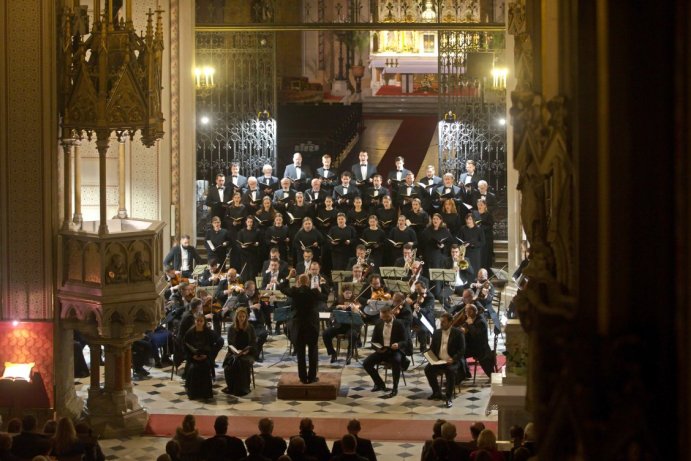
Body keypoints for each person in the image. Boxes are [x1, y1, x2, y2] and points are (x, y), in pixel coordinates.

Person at [279, 272, 323, 384]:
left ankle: (303, 378)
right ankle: (312, 377)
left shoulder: (294, 291)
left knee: (301, 353)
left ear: (298, 281)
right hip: (311, 326)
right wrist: (320, 285)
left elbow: (282, 288)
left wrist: (288, 277)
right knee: (313, 352)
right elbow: (325, 296)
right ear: (308, 282)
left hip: (299, 326)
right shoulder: (314, 292)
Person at [362, 305, 411, 399]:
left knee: (396, 361)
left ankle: (395, 388)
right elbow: (373, 340)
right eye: (382, 317)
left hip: (395, 351)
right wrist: (378, 348)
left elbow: (405, 341)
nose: (384, 319)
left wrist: (398, 345)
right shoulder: (379, 323)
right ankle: (379, 383)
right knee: (366, 363)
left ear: (391, 314)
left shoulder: (399, 324)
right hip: (382, 350)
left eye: (387, 317)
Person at [424, 313, 466, 408]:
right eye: (440, 322)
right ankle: (436, 392)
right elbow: (433, 348)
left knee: (450, 371)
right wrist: (430, 356)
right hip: (439, 361)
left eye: (444, 322)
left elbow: (462, 350)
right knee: (428, 369)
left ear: (450, 322)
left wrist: (453, 359)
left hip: (452, 361)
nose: (441, 324)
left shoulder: (458, 333)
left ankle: (448, 397)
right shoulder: (437, 332)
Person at [323, 284, 362, 364]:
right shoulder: (339, 300)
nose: (348, 295)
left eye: (350, 293)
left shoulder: (355, 301)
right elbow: (329, 309)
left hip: (351, 326)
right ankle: (332, 353)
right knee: (326, 333)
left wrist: (356, 309)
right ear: (343, 293)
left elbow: (360, 314)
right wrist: (337, 306)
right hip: (339, 326)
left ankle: (349, 354)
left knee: (353, 335)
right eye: (346, 293)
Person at [222, 307, 257, 396]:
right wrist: (236, 351)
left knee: (242, 363)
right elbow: (230, 343)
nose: (241, 318)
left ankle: (243, 388)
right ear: (236, 317)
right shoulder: (231, 328)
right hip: (234, 352)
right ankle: (232, 387)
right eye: (239, 316)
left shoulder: (250, 328)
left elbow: (253, 342)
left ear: (246, 317)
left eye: (243, 316)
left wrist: (246, 351)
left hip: (247, 353)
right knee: (231, 364)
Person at [183, 312, 217, 399]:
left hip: (206, 357)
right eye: (197, 321)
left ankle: (205, 393)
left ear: (204, 322)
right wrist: (192, 356)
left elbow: (213, 346)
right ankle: (194, 394)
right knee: (194, 368)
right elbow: (185, 347)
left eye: (201, 321)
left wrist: (207, 355)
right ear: (195, 321)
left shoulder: (208, 332)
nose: (199, 323)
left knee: (205, 366)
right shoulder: (189, 333)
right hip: (193, 358)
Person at [460, 305, 495, 380]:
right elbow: (466, 329)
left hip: (480, 349)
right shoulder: (472, 319)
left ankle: (462, 375)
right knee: (459, 353)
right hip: (473, 346)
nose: (465, 313)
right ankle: (466, 373)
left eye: (467, 311)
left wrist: (470, 324)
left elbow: (476, 335)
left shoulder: (481, 321)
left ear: (472, 312)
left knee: (460, 354)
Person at [474, 199, 495, 272]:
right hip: (478, 239)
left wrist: (480, 227)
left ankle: (486, 274)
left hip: (486, 239)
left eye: (481, 205)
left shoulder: (488, 215)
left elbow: (490, 226)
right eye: (478, 205)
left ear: (485, 206)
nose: (479, 206)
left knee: (486, 257)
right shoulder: (475, 214)